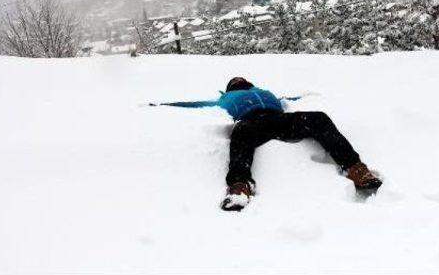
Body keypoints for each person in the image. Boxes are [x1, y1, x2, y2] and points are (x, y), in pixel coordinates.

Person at [151, 77, 382, 211]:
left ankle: (355, 168)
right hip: (252, 124)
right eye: (236, 82)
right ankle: (240, 186)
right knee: (240, 132)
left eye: (241, 81)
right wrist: (164, 104)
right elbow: (197, 104)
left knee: (318, 117)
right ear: (229, 89)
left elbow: (288, 99)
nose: (239, 82)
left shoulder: (264, 92)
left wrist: (305, 95)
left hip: (280, 120)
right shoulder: (224, 98)